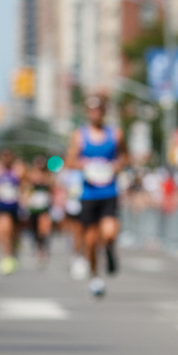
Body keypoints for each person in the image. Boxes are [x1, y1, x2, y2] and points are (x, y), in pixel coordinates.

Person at [65, 95, 124, 298]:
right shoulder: (79, 135)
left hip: (109, 191)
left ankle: (109, 250)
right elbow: (70, 160)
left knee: (109, 232)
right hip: (89, 193)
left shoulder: (115, 134)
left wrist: (117, 165)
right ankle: (95, 277)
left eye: (99, 109)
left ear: (104, 111)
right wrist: (86, 165)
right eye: (91, 110)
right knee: (89, 241)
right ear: (87, 113)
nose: (95, 113)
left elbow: (124, 156)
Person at [0, 148, 23, 276]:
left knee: (13, 232)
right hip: (1, 206)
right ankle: (6, 255)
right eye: (3, 156)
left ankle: (13, 249)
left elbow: (25, 186)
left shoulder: (19, 169)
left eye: (8, 156)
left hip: (15, 207)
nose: (6, 158)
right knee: (3, 230)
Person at [23, 156, 54, 266]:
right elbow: (25, 190)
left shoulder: (49, 176)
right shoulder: (30, 176)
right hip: (33, 208)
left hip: (44, 208)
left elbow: (53, 189)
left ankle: (44, 248)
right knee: (34, 230)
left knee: (44, 229)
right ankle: (38, 248)